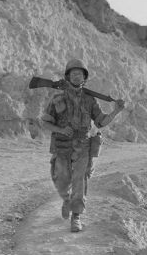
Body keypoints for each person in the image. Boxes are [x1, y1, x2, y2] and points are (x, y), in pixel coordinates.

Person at [41, 59, 125, 232]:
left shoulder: (90, 100)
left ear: (84, 78)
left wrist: (116, 111)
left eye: (80, 74)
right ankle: (66, 200)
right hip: (62, 145)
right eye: (73, 73)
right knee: (61, 180)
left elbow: (101, 122)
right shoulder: (58, 97)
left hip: (83, 145)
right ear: (68, 76)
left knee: (80, 180)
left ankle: (76, 215)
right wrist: (61, 130)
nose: (77, 76)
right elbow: (45, 123)